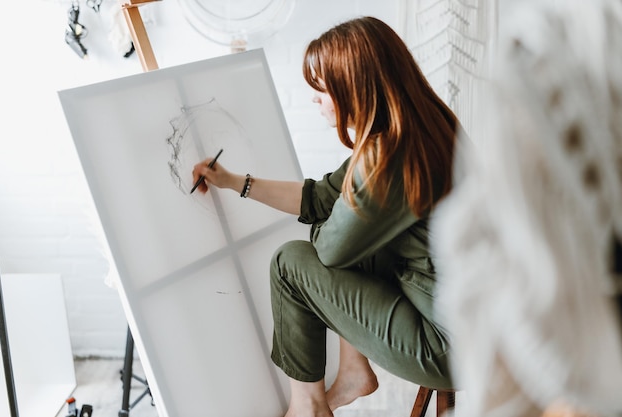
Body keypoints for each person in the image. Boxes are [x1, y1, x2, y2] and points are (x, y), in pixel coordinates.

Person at [192, 16, 460, 417]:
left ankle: (309, 407)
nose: (313, 98)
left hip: (447, 346)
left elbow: (332, 249)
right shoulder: (420, 128)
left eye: (321, 86)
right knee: (347, 234)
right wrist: (234, 181)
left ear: (354, 85)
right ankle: (353, 371)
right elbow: (319, 197)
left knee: (289, 263)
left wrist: (330, 222)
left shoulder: (386, 161)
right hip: (477, 320)